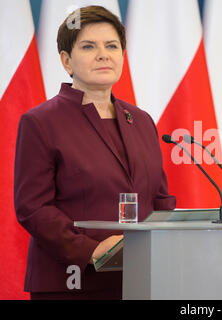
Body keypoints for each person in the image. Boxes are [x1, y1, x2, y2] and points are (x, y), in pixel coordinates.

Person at [14, 5, 176, 300]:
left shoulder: (142, 120)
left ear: (122, 57)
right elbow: (32, 208)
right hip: (71, 283)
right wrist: (91, 251)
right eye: (89, 46)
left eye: (112, 46)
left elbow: (160, 199)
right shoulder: (40, 122)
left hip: (140, 279)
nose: (103, 54)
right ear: (66, 61)